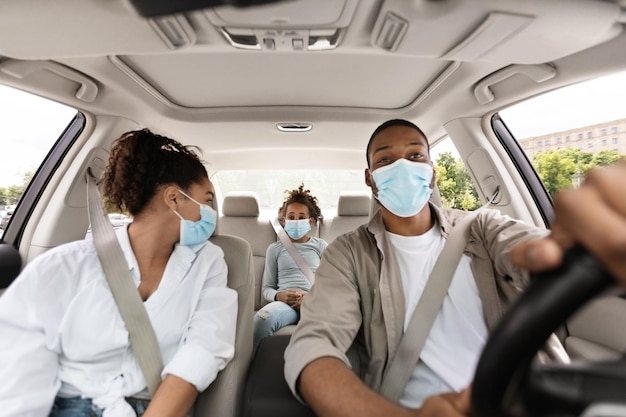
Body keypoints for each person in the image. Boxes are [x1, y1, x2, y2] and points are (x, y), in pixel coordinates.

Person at [283, 119, 552, 417]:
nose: (402, 167)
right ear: (369, 178)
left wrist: (575, 249)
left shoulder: (483, 228)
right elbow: (314, 345)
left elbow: (540, 252)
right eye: (385, 159)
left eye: (415, 156)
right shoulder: (349, 252)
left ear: (432, 173)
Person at [0, 129, 238, 417]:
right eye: (208, 199)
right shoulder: (64, 266)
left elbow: (204, 348)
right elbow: (21, 379)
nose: (211, 212)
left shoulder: (209, 262)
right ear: (174, 199)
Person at [253, 183, 327, 351]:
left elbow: (332, 284)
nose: (296, 221)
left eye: (301, 217)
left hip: (314, 301)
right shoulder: (275, 249)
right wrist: (279, 296)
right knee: (261, 319)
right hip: (285, 305)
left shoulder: (321, 246)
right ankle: (253, 369)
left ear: (311, 221)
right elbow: (267, 288)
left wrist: (312, 296)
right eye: (291, 217)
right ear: (284, 221)